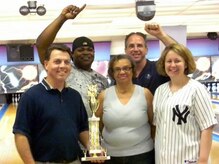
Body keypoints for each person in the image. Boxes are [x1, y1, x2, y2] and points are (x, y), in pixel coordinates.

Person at [13, 44, 90, 164]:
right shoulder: (31, 96)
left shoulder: (74, 96)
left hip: (74, 161)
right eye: (57, 61)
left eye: (67, 62)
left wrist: (93, 149)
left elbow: (82, 128)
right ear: (46, 64)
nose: (63, 66)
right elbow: (21, 134)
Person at [36, 4, 108, 118]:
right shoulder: (64, 70)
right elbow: (41, 45)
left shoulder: (102, 80)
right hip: (67, 130)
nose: (86, 53)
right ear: (72, 55)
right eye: (81, 50)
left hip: (93, 132)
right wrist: (62, 18)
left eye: (89, 50)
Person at [153, 43, 218, 164]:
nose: (172, 65)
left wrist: (202, 161)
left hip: (189, 158)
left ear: (186, 64)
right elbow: (159, 127)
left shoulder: (197, 89)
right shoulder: (160, 91)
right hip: (163, 159)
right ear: (164, 64)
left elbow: (207, 127)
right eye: (169, 61)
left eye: (177, 61)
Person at [96, 55, 155, 164]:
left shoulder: (145, 93)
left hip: (142, 155)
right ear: (112, 73)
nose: (122, 72)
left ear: (133, 71)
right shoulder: (103, 96)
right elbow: (97, 125)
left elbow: (153, 124)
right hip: (111, 156)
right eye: (117, 69)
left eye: (126, 68)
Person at [124, 24, 176, 94]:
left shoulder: (159, 68)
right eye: (131, 46)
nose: (136, 49)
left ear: (146, 50)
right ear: (125, 50)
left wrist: (161, 35)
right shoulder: (121, 74)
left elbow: (179, 53)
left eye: (139, 45)